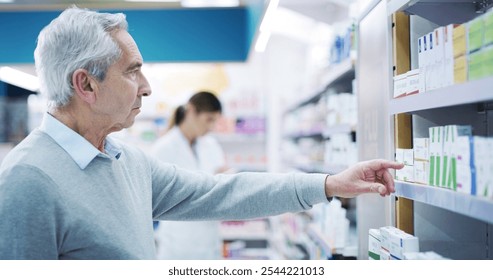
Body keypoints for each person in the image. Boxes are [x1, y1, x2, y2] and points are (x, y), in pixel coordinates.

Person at [0, 6, 403, 260]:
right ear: (86, 85)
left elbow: (221, 193)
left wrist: (329, 184)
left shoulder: (125, 160)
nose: (146, 86)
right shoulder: (28, 181)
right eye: (132, 70)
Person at [152, 91, 227, 259]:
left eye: (215, 121)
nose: (211, 127)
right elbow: (159, 196)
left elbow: (222, 177)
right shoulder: (163, 148)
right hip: (178, 243)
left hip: (210, 239)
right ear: (191, 111)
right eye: (209, 120)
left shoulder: (211, 144)